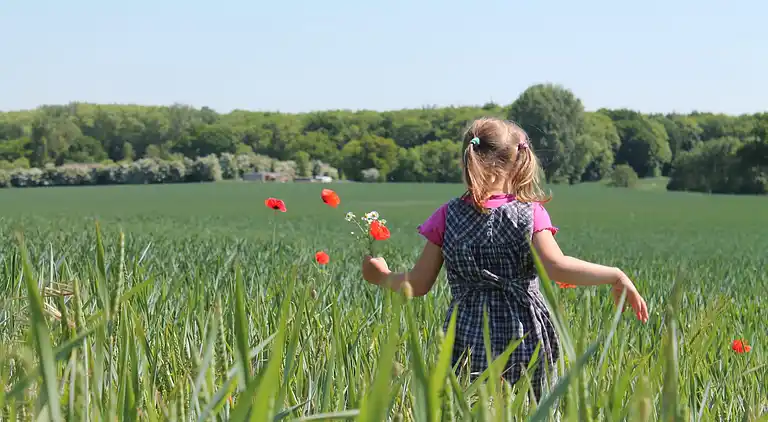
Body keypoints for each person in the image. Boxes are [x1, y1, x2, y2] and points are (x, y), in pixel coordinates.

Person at [361, 117, 649, 399]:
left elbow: (418, 284)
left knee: (469, 405)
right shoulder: (530, 213)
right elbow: (557, 268)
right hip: (525, 331)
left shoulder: (447, 216)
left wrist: (382, 276)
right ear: (518, 163)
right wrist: (615, 275)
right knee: (530, 406)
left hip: (466, 333)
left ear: (466, 160)